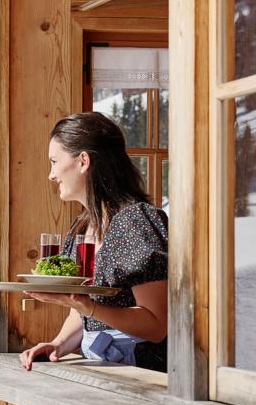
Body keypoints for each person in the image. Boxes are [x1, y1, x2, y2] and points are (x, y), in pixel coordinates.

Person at [19, 113, 169, 374]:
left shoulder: (135, 222)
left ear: (83, 161)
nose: (51, 175)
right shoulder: (82, 225)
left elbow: (156, 325)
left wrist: (90, 307)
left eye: (55, 162)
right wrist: (58, 344)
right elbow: (83, 312)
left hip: (142, 373)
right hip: (100, 367)